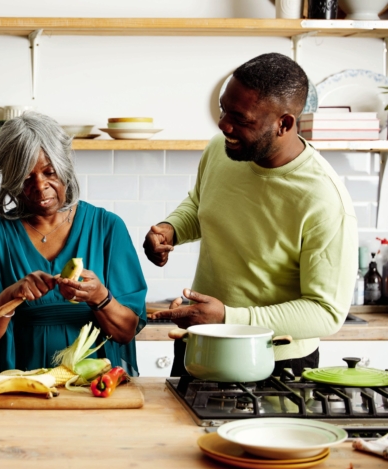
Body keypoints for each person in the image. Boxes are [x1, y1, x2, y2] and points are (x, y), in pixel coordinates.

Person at [143, 53, 358, 377]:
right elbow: (200, 202)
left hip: (273, 361)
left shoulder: (324, 200)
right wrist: (171, 228)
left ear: (284, 124)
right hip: (200, 344)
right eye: (223, 109)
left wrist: (229, 318)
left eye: (240, 118)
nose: (223, 124)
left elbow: (325, 312)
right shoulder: (222, 149)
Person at [0, 112, 147, 376]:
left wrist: (99, 297)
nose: (40, 187)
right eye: (26, 178)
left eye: (49, 172)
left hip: (93, 383)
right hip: (19, 381)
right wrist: (10, 295)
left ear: (65, 167)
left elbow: (125, 331)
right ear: (10, 180)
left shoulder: (107, 228)